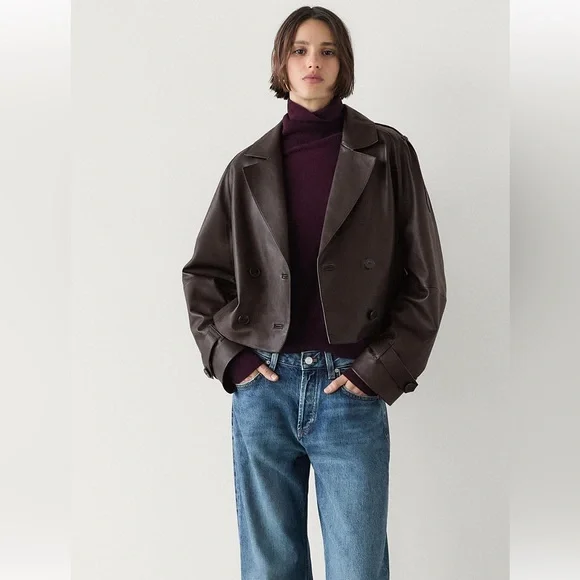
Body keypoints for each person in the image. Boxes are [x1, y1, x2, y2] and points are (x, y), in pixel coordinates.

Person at [181, 6, 446, 579]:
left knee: (357, 568)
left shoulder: (388, 154)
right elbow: (204, 277)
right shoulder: (247, 168)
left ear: (343, 63)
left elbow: (426, 282)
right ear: (282, 63)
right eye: (300, 50)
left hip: (350, 387)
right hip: (264, 390)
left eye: (327, 50)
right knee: (269, 568)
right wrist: (234, 359)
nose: (313, 62)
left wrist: (378, 370)